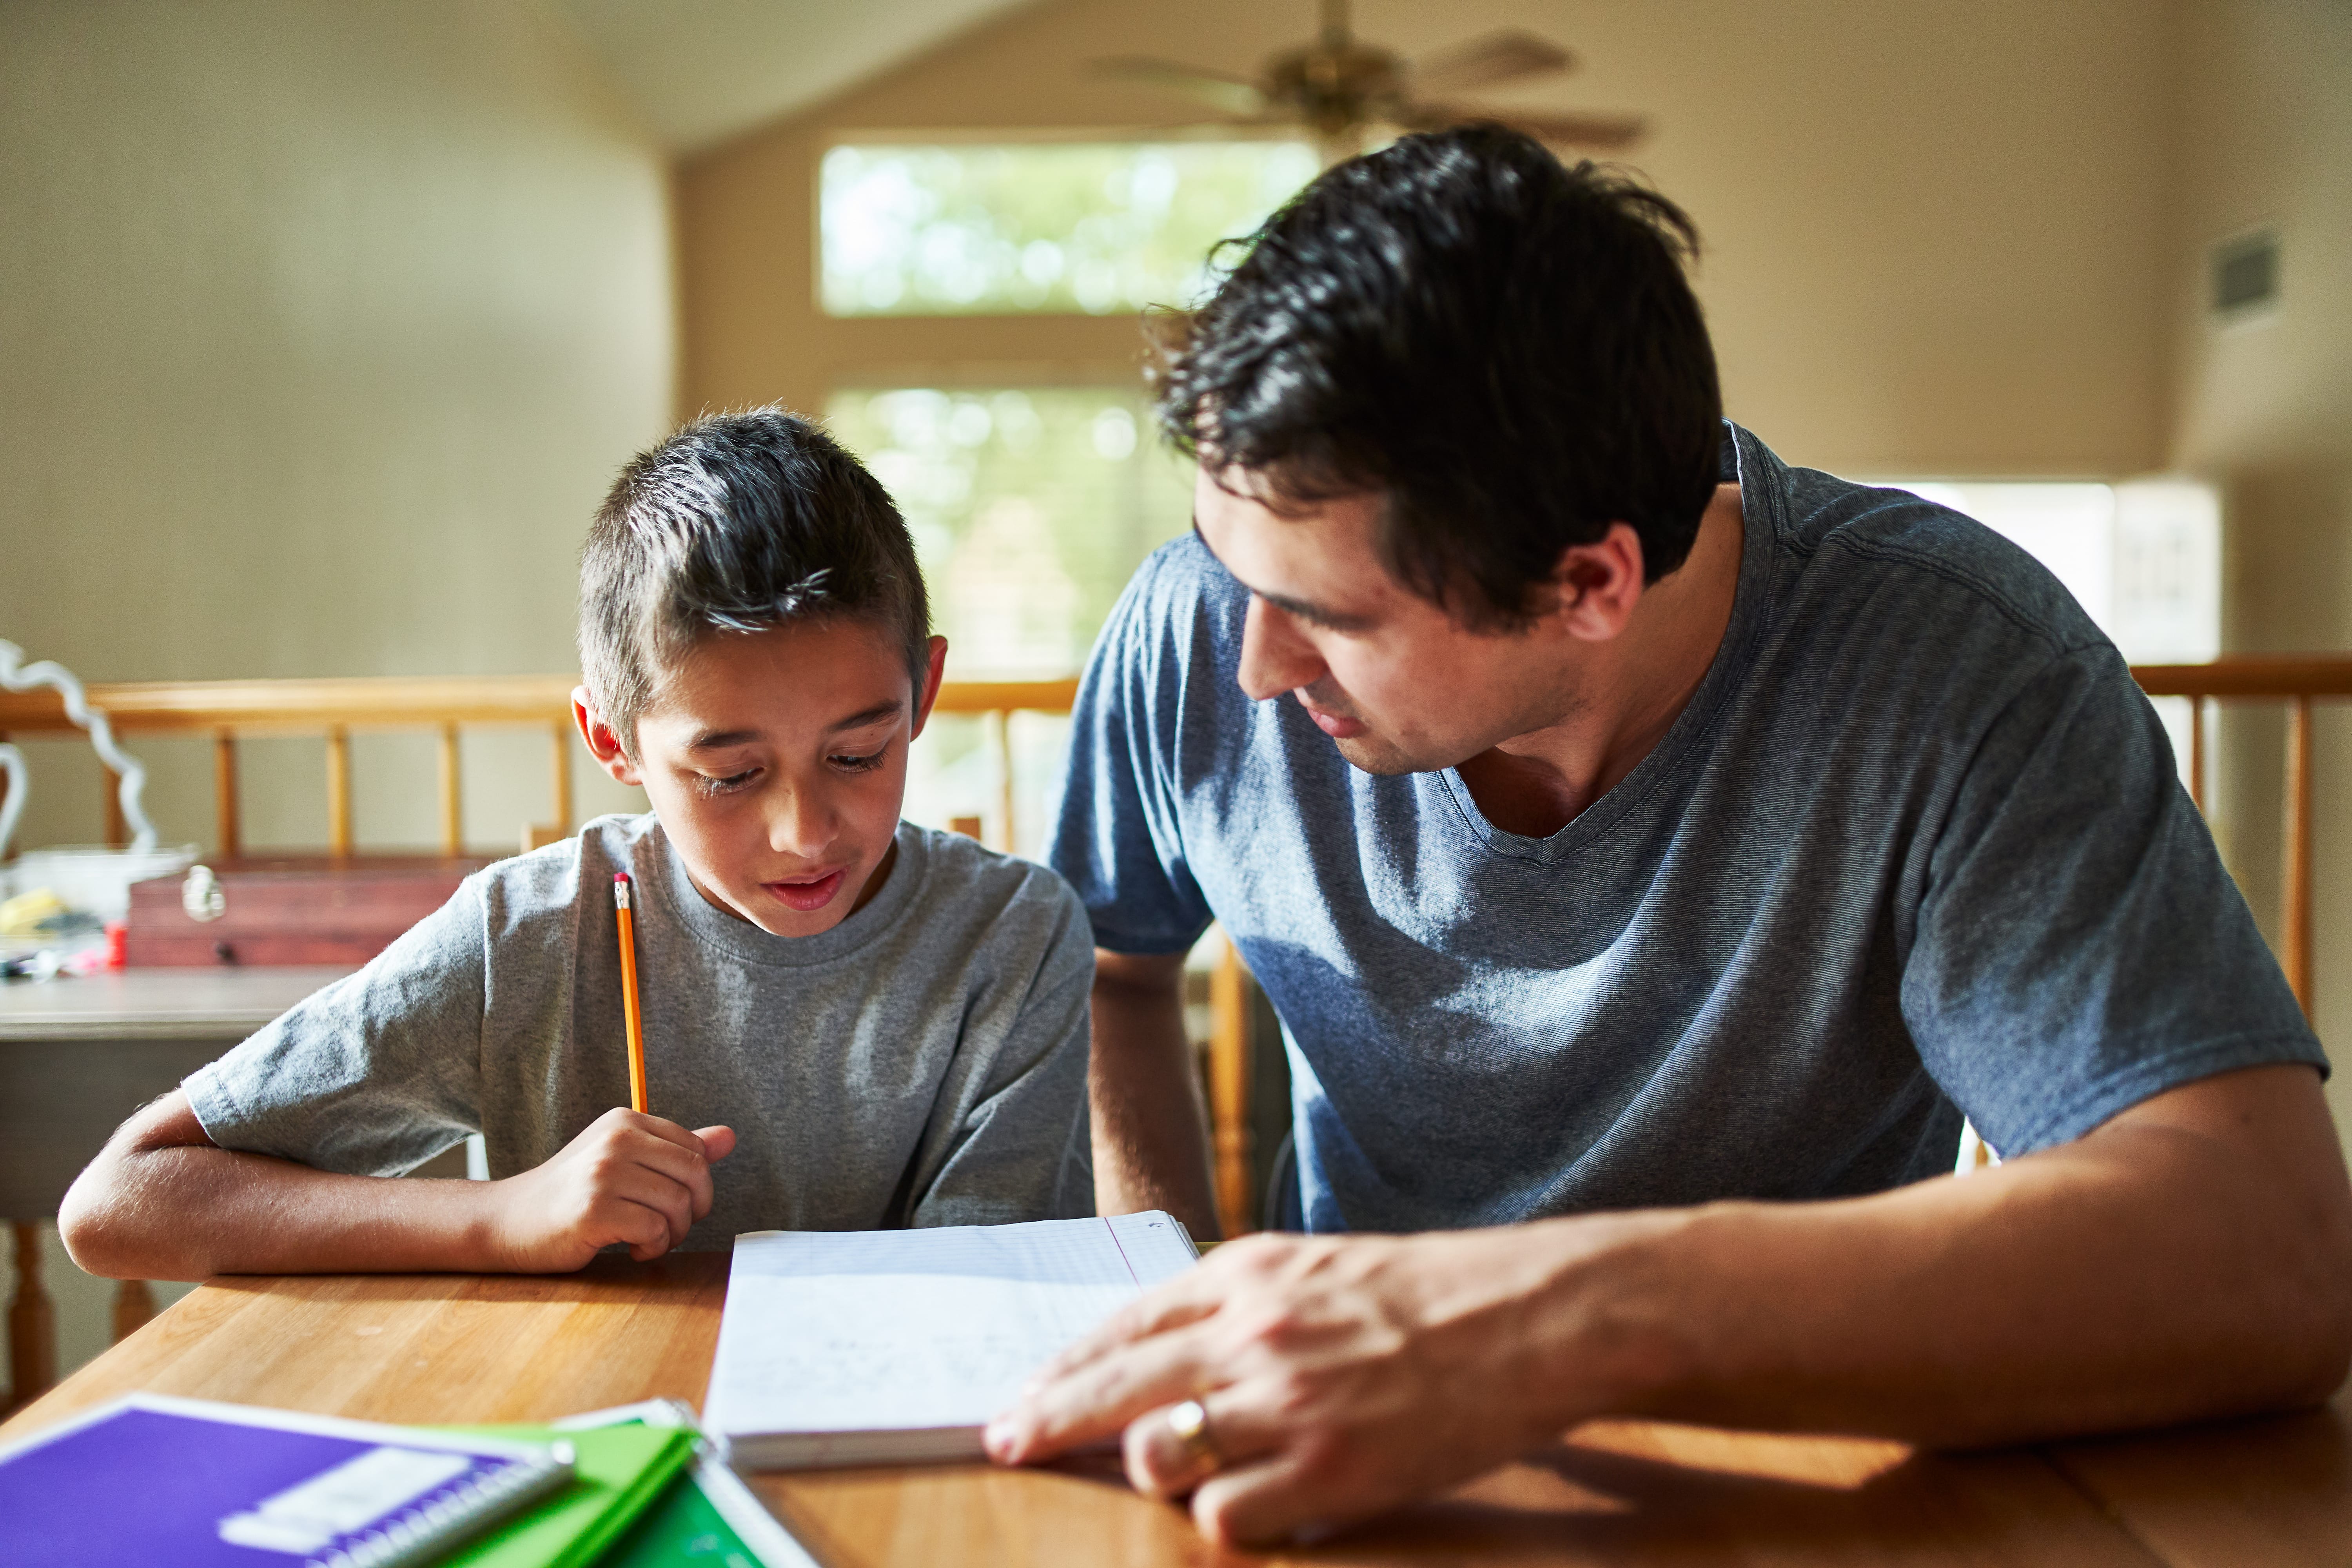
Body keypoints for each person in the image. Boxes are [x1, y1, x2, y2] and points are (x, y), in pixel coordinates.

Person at [984, 127, 2352, 1544]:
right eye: (1226, 561)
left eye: (1331, 617)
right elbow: (1113, 965)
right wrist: (1172, 1283)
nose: (1256, 664)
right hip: (1318, 1470)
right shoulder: (1195, 630)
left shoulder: (1960, 671)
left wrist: (1548, 1322)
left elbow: (2278, 1255)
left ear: (1590, 582)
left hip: (1799, 1483)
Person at [61, 409, 1094, 1279]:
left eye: (859, 754)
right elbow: (119, 1202)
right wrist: (505, 1217)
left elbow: (990, 1297)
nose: (805, 832)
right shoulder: (534, 939)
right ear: (613, 740)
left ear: (925, 693)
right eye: (731, 776)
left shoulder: (1011, 937)